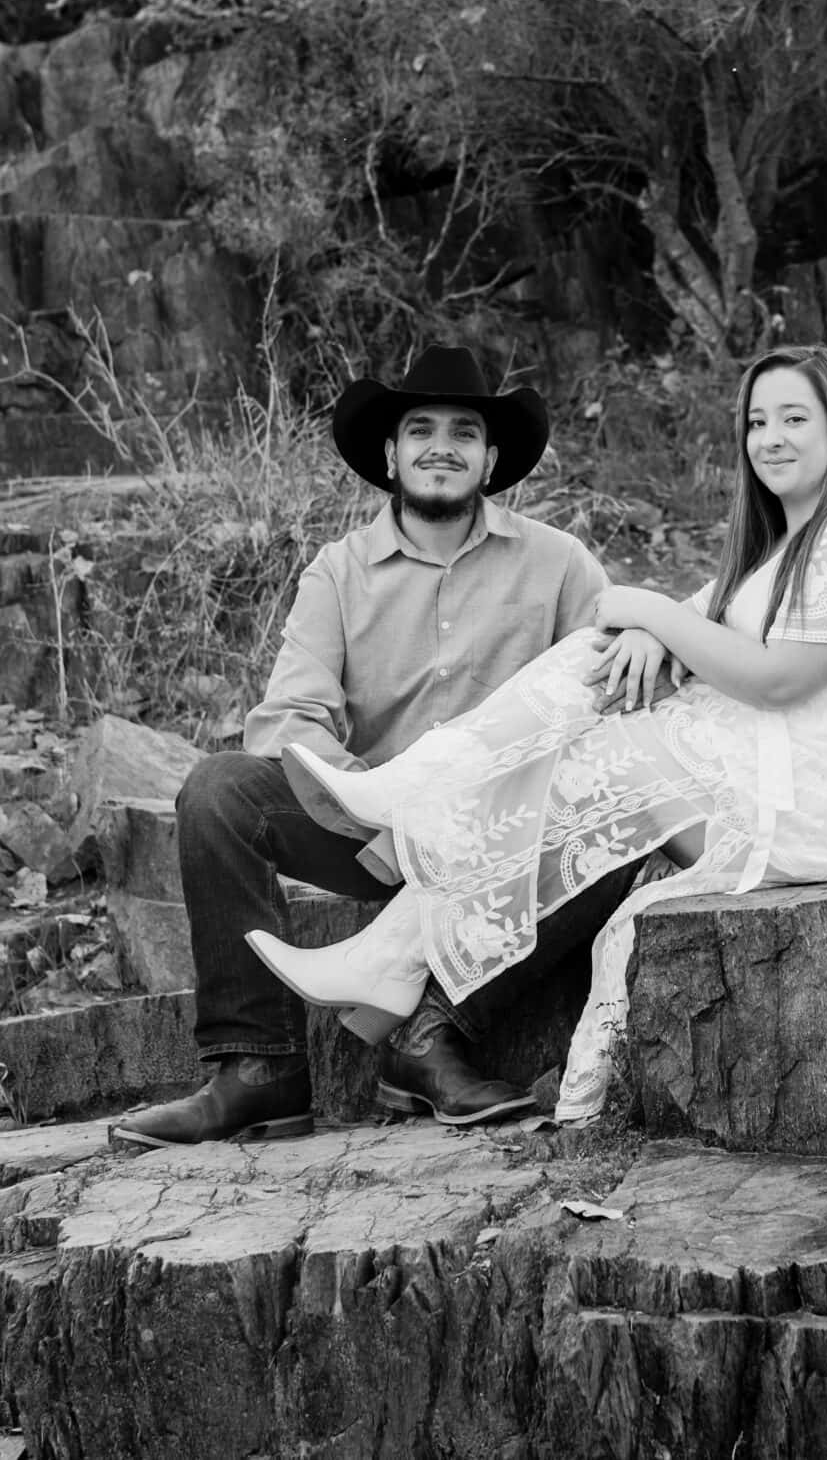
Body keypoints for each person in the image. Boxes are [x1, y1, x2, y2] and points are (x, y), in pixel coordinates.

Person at [250, 343, 827, 1125]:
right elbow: (670, 622)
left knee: (600, 751)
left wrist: (651, 616)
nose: (770, 437)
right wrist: (649, 628)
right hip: (768, 779)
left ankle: (410, 843)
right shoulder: (773, 550)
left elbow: (778, 677)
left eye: (793, 418)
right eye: (756, 420)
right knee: (593, 679)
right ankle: (397, 920)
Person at [109, 344, 636, 1148]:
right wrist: (386, 807)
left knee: (628, 809)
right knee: (217, 790)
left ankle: (429, 1038)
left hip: (513, 839)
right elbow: (287, 719)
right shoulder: (339, 572)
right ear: (390, 453)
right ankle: (258, 1072)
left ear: (492, 457)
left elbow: (610, 695)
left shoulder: (559, 564)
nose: (441, 446)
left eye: (465, 431)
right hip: (376, 838)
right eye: (419, 428)